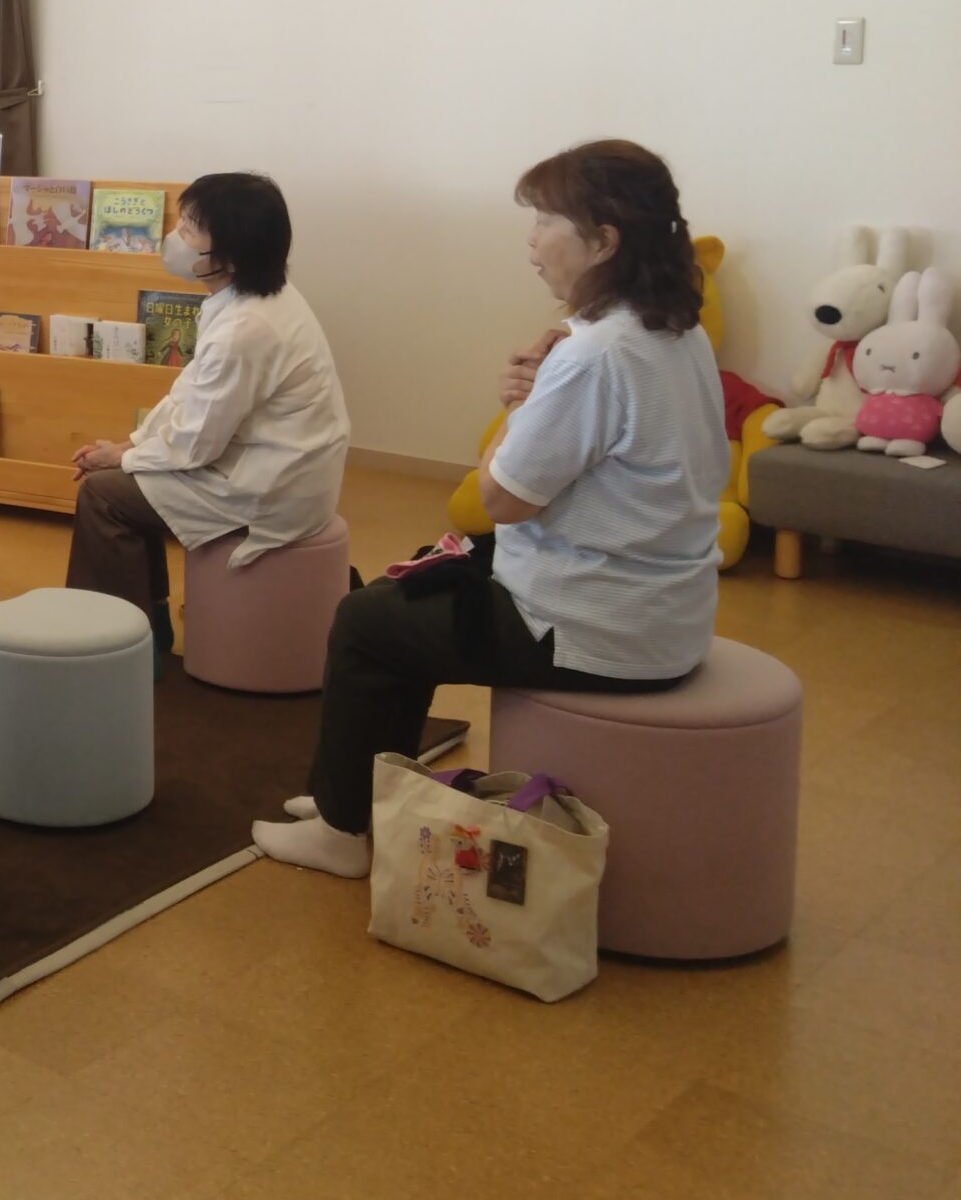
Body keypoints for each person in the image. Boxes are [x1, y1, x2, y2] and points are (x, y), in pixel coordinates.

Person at [253, 141, 726, 877]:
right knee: (411, 591)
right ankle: (356, 794)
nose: (531, 243)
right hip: (664, 608)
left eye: (545, 222)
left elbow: (499, 501)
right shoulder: (675, 331)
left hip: (596, 628)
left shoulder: (595, 354)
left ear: (604, 241)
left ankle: (342, 831)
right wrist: (533, 400)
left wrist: (519, 407)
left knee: (367, 623)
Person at [66, 173, 349, 673]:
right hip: (267, 462)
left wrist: (123, 459)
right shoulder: (253, 299)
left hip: (269, 484)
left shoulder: (246, 328)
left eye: (191, 228)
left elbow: (196, 443)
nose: (175, 236)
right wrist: (129, 447)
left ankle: (116, 651)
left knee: (103, 497)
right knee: (123, 481)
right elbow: (192, 395)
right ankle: (147, 627)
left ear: (231, 254)